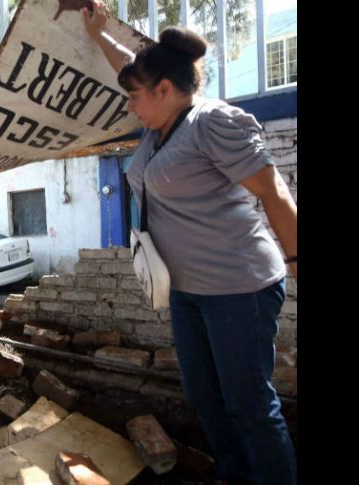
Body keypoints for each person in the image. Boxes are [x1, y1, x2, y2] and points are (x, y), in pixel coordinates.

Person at [81, 2, 297, 484]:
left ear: (165, 89)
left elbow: (273, 191)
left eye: (136, 97)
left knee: (250, 405)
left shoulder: (211, 122)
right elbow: (131, 73)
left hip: (239, 289)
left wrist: (298, 258)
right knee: (204, 397)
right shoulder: (158, 128)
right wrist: (99, 35)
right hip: (188, 291)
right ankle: (237, 475)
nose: (130, 106)